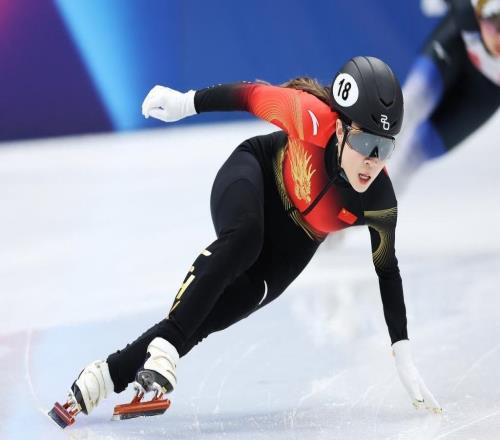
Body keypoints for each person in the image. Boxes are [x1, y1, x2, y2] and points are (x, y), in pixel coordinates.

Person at [50, 56, 442, 428]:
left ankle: (106, 374)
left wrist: (403, 355)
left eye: (385, 148)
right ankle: (166, 346)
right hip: (255, 175)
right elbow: (249, 94)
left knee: (219, 310)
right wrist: (184, 103)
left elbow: (387, 271)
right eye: (365, 143)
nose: (373, 161)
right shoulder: (308, 116)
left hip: (296, 241)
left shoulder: (379, 201)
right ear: (340, 130)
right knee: (245, 239)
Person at [391, 0, 500, 191]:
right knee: (406, 107)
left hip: (486, 93)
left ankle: (371, 207)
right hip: (457, 45)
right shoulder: (465, 10)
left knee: (415, 152)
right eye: (496, 24)